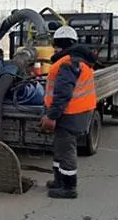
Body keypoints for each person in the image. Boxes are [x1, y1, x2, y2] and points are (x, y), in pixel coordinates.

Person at [40, 25, 97, 199]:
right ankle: (59, 180)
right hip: (77, 112)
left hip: (70, 114)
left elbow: (62, 94)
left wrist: (51, 115)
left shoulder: (67, 63)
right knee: (60, 147)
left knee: (66, 149)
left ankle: (69, 188)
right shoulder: (77, 61)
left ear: (58, 44)